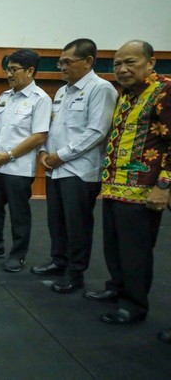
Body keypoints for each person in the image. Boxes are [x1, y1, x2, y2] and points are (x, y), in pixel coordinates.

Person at [84, 41, 171, 325]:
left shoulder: (164, 91)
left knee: (135, 251)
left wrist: (164, 186)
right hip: (115, 186)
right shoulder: (126, 94)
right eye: (117, 64)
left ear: (151, 62)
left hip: (144, 189)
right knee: (115, 246)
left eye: (130, 62)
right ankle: (117, 288)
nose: (122, 69)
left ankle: (134, 305)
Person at [31, 39, 118, 293]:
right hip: (55, 167)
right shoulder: (61, 91)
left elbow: (97, 132)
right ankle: (59, 262)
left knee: (77, 224)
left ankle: (75, 273)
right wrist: (45, 151)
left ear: (88, 61)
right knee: (56, 220)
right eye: (60, 62)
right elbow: (54, 127)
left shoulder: (101, 89)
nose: (62, 67)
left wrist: (62, 155)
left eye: (67, 62)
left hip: (80, 171)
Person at [0, 49, 51, 272]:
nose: (9, 74)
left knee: (19, 214)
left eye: (14, 69)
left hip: (18, 168)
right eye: (7, 69)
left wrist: (8, 155)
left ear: (30, 71)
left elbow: (39, 136)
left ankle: (17, 255)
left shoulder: (41, 99)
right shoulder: (5, 96)